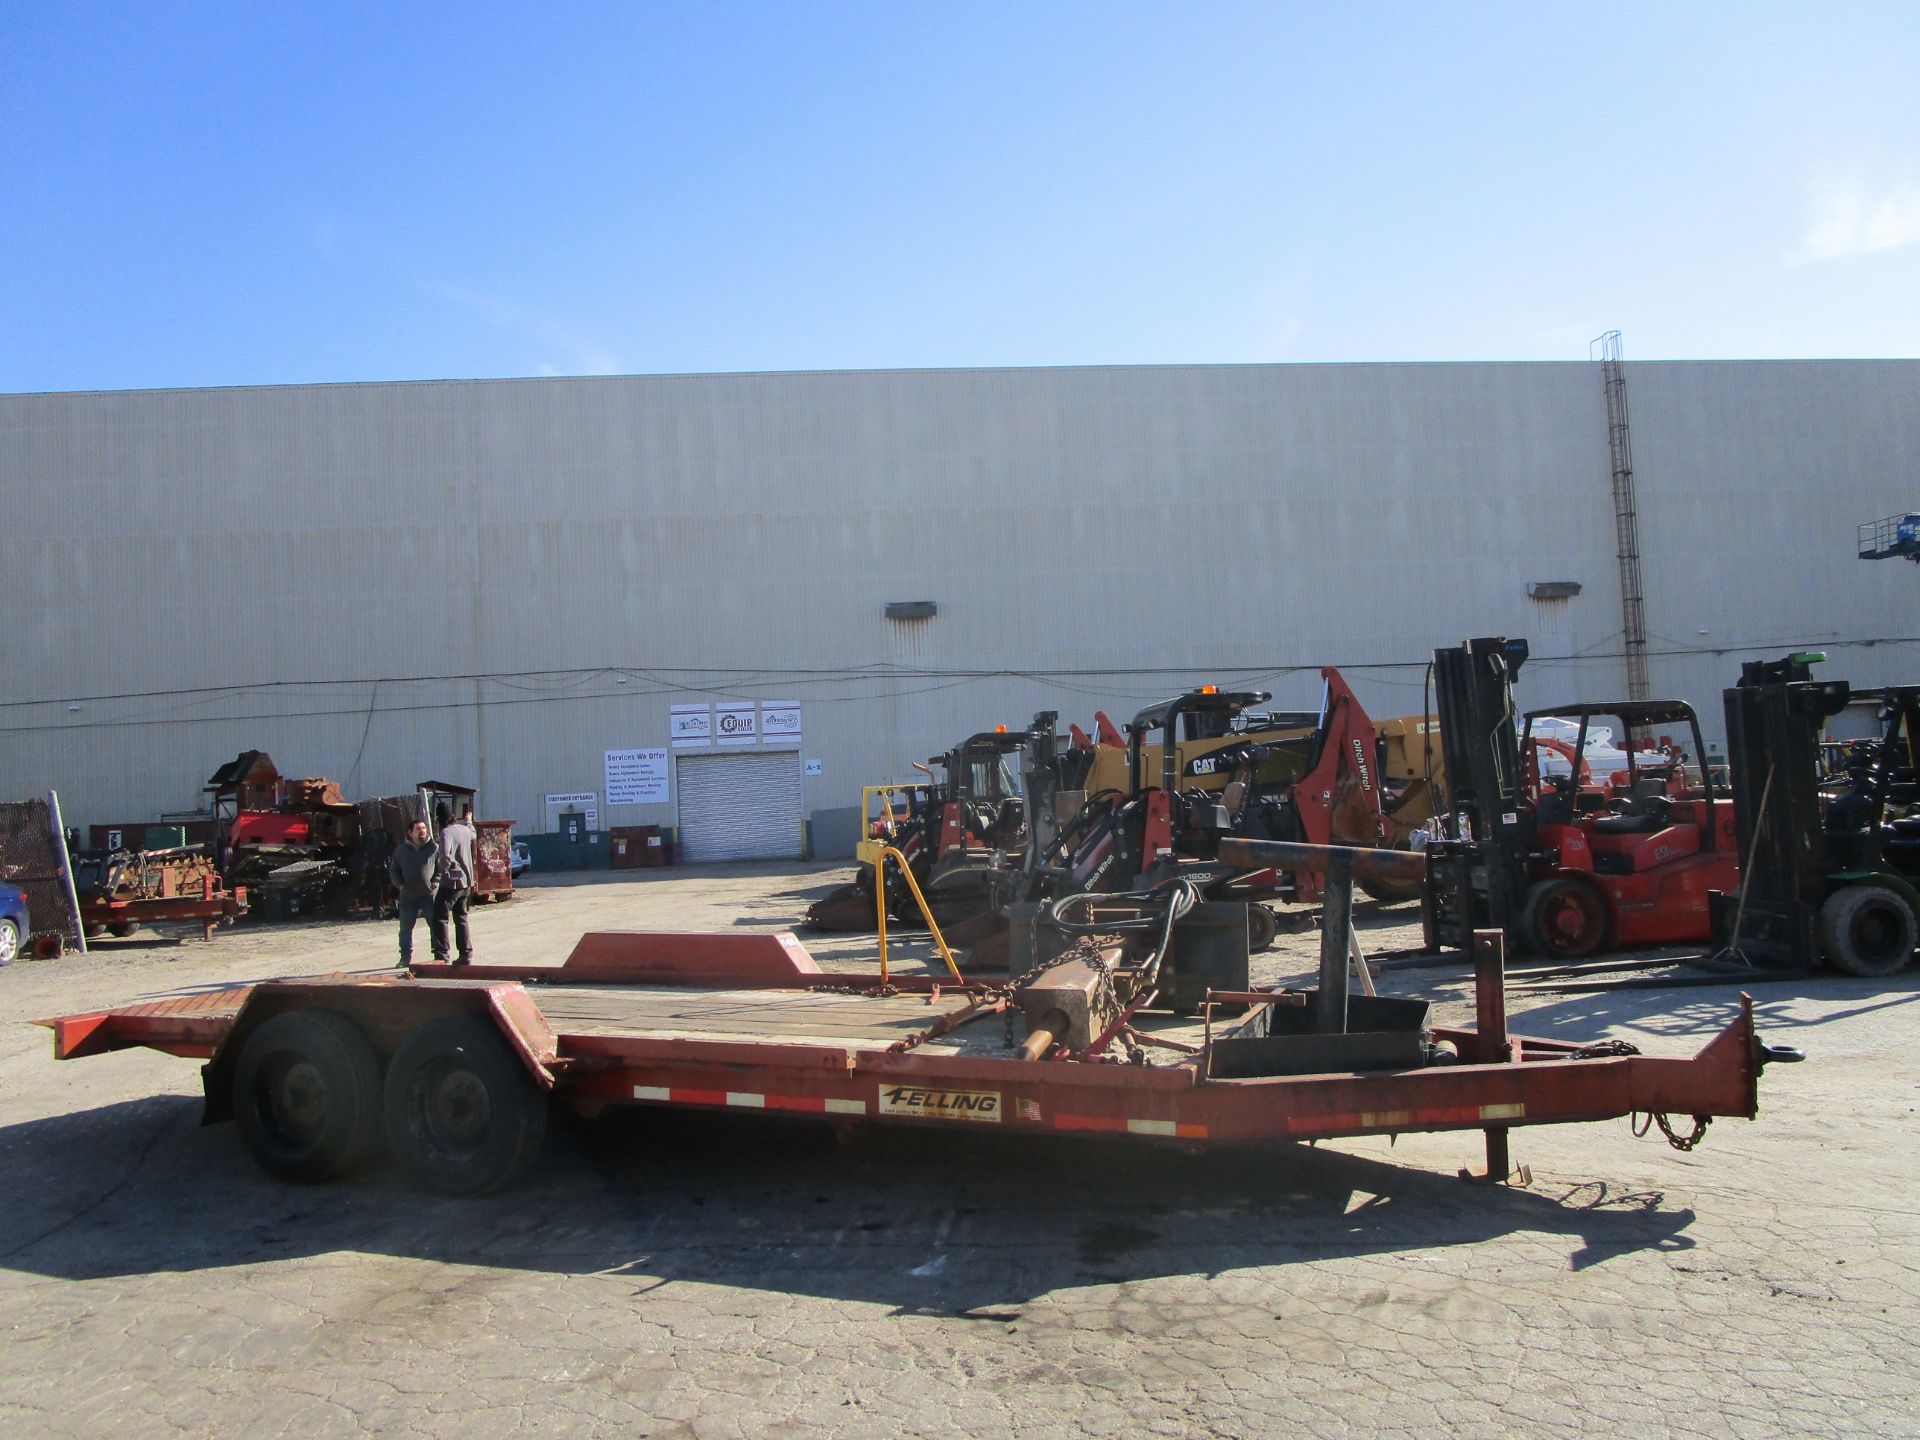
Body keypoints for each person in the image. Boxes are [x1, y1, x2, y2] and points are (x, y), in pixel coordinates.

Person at [387, 818, 439, 968]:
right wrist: (400, 885)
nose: (422, 831)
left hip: (428, 895)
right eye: (418, 829)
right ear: (410, 832)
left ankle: (438, 954)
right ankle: (405, 957)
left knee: (435, 925)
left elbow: (440, 868)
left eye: (424, 828)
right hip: (408, 896)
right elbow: (394, 870)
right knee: (405, 929)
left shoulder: (434, 848)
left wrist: (434, 883)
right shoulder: (401, 850)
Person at [432, 801, 477, 965]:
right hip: (466, 882)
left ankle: (442, 954)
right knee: (461, 917)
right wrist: (469, 820)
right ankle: (466, 954)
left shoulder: (446, 833)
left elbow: (444, 855)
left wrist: (446, 870)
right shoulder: (464, 830)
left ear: (438, 819)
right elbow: (474, 834)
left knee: (440, 917)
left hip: (451, 884)